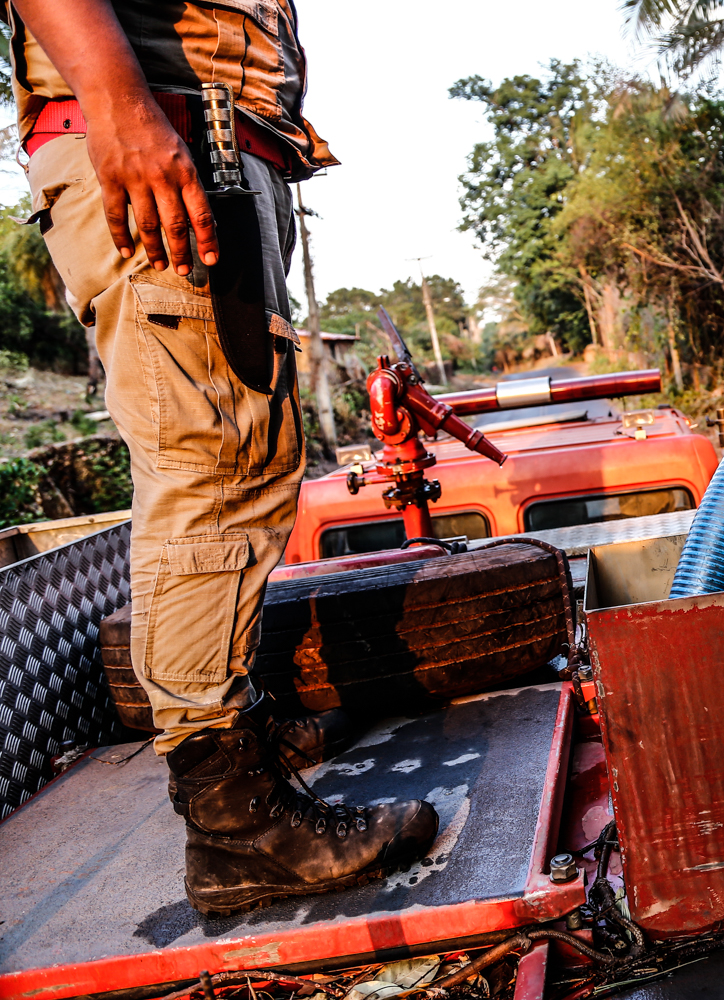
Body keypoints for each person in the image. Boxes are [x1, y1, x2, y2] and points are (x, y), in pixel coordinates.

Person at [3, 0, 436, 915]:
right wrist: (119, 101)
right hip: (155, 127)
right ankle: (236, 825)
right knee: (213, 464)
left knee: (238, 452)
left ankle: (237, 736)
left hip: (203, 135)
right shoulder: (133, 112)